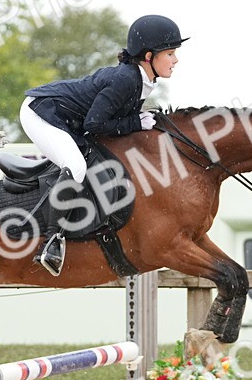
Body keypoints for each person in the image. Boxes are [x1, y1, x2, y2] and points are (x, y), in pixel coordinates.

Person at [20, 14, 187, 276]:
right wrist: (135, 122)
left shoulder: (143, 81)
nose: (175, 60)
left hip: (68, 119)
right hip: (41, 111)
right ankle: (52, 242)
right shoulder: (126, 79)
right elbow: (95, 124)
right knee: (75, 166)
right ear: (148, 56)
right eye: (170, 53)